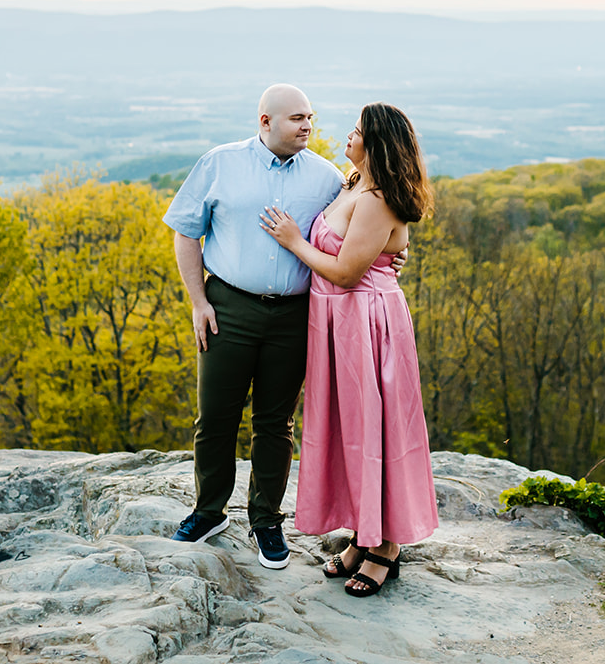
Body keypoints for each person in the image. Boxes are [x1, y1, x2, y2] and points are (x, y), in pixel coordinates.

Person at [161, 84, 348, 569]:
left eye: (311, 118)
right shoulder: (219, 163)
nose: (307, 126)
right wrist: (198, 302)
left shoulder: (327, 177)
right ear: (265, 121)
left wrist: (395, 248)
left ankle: (265, 520)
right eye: (296, 119)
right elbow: (185, 232)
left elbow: (353, 228)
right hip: (228, 307)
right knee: (216, 418)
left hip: (293, 316)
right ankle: (209, 512)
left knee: (275, 423)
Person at [259, 101, 440, 597]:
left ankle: (387, 549)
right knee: (348, 429)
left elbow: (345, 271)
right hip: (336, 322)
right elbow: (374, 248)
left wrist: (294, 241)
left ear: (375, 143)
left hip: (366, 323)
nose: (347, 136)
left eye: (356, 131)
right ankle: (364, 533)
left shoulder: (376, 197)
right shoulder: (351, 183)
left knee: (374, 429)